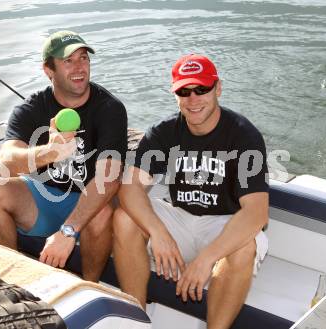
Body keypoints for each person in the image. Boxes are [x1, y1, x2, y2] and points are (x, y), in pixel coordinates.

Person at [113, 54, 269, 328]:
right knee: (124, 218)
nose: (193, 99)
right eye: (184, 91)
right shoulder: (164, 132)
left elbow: (256, 214)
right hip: (181, 219)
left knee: (246, 245)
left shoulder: (243, 135)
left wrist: (206, 259)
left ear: (217, 88)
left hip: (223, 224)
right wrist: (158, 233)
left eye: (202, 89)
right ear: (176, 95)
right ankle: (136, 319)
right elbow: (130, 186)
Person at [0, 30, 127, 282]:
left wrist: (68, 231)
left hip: (87, 200)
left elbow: (108, 179)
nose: (80, 67)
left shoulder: (109, 108)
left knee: (101, 213)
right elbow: (6, 160)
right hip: (44, 197)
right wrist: (49, 152)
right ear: (48, 70)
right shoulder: (32, 107)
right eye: (68, 61)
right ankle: (16, 283)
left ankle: (89, 286)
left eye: (84, 58)